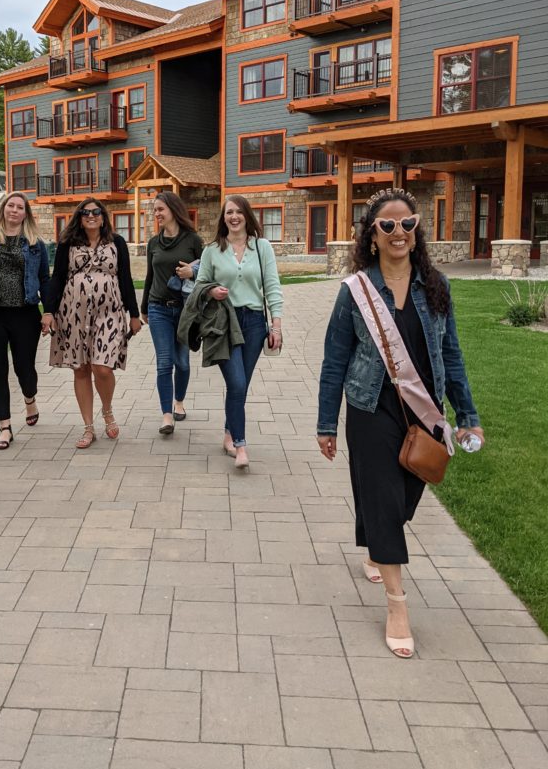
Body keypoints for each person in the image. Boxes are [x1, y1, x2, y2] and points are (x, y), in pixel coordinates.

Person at [317, 187, 484, 658]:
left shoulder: (437, 287)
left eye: (407, 224)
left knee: (408, 494)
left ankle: (375, 542)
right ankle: (397, 604)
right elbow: (335, 360)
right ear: (372, 236)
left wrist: (467, 416)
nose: (398, 232)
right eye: (387, 225)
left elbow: (451, 354)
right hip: (371, 408)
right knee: (385, 498)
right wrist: (326, 422)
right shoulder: (355, 291)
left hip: (424, 408)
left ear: (417, 231)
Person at [42, 196, 142, 448]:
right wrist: (49, 311)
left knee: (102, 367)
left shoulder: (117, 242)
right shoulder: (67, 243)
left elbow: (125, 278)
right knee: (81, 368)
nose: (91, 216)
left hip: (109, 311)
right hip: (73, 312)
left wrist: (134, 314)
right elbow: (57, 278)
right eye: (85, 213)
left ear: (103, 216)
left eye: (96, 212)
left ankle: (107, 410)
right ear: (79, 217)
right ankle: (88, 427)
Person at [193, 195, 283, 470]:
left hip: (254, 323)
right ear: (223, 218)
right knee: (237, 384)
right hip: (223, 323)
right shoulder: (212, 250)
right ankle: (241, 446)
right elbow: (198, 286)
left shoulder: (262, 247)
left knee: (240, 384)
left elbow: (272, 286)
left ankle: (228, 434)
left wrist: (276, 325)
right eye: (228, 212)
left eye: (238, 212)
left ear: (247, 215)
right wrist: (211, 290)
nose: (233, 217)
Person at [0, 192, 50, 450]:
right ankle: (4, 426)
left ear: (26, 213)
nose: (14, 210)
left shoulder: (36, 243)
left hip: (24, 314)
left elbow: (45, 280)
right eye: (10, 206)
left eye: (19, 207)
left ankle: (30, 398)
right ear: (3, 209)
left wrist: (49, 311)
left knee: (24, 368)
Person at [141, 192, 203, 435]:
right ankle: (167, 414)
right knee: (165, 363)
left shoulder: (192, 240)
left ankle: (179, 401)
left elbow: (207, 270)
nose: (156, 214)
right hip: (159, 308)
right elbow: (149, 276)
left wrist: (192, 271)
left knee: (183, 363)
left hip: (186, 310)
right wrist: (144, 307)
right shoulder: (153, 243)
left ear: (173, 210)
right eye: (154, 210)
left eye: (160, 209)